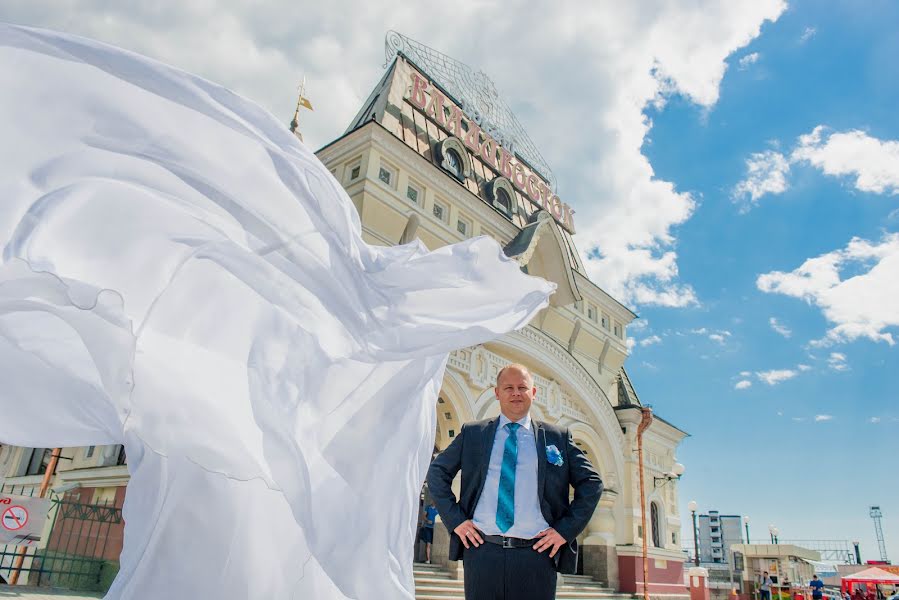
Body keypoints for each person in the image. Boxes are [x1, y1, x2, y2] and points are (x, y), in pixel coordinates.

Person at [427, 364, 603, 600]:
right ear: (497, 393)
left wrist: (565, 531)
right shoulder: (474, 433)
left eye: (522, 387)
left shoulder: (556, 437)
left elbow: (592, 482)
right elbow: (437, 472)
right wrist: (456, 521)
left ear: (534, 393)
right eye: (508, 387)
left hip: (537, 555)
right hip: (481, 552)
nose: (516, 393)